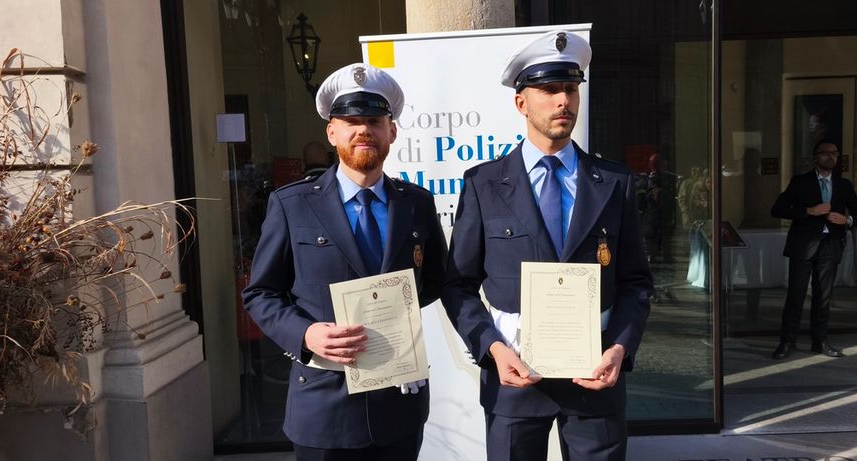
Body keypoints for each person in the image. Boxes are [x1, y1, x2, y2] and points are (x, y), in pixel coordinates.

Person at [441, 30, 653, 461]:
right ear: (521, 103)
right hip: (515, 378)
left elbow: (636, 282)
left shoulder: (614, 183)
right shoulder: (484, 184)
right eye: (550, 90)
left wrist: (619, 348)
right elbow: (458, 285)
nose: (563, 101)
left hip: (594, 377)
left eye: (571, 89)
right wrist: (493, 349)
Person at [242, 62, 447, 461]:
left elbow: (435, 281)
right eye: (351, 121)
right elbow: (261, 294)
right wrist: (305, 334)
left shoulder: (417, 204)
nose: (363, 130)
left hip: (398, 406)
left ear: (391, 131)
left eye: (374, 121)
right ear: (331, 132)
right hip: (324, 407)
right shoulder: (292, 205)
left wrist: (396, 319)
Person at [770, 141, 857, 359]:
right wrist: (808, 211)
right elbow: (777, 209)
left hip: (830, 246)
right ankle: (787, 342)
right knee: (796, 296)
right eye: (825, 153)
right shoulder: (800, 182)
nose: (831, 156)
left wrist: (847, 220)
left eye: (835, 153)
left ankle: (820, 342)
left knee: (823, 298)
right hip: (803, 246)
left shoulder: (844, 185)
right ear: (815, 157)